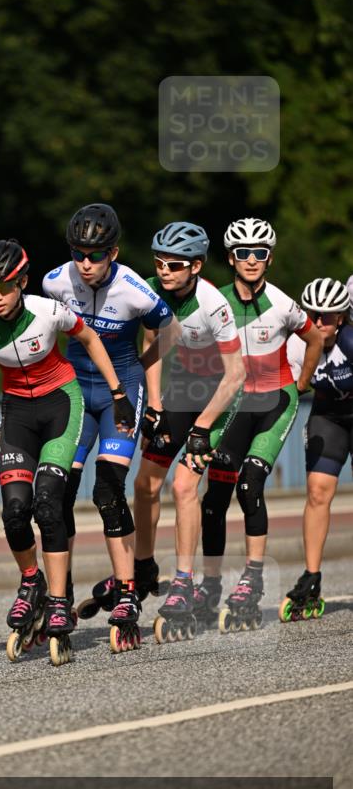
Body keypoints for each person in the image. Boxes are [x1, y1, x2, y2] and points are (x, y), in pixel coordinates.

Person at [0, 238, 136, 665]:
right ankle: (31, 581)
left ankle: (59, 600)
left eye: (4, 287)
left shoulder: (48, 311)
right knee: (14, 511)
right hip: (18, 413)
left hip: (61, 403)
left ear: (22, 282)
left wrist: (117, 393)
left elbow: (90, 338)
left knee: (47, 503)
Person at [42, 203, 177, 649]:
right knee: (59, 493)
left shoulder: (135, 290)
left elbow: (170, 332)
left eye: (96, 255)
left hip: (121, 393)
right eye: (78, 254)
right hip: (77, 394)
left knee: (107, 490)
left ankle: (127, 593)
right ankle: (59, 596)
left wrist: (149, 388)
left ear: (113, 253)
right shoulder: (55, 282)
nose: (86, 263)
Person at [194, 218, 323, 631]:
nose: (252, 260)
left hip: (275, 402)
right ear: (231, 259)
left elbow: (316, 339)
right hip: (235, 405)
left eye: (260, 253)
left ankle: (252, 579)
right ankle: (210, 583)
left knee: (249, 484)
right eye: (243, 253)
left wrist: (302, 382)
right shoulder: (215, 301)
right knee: (214, 496)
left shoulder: (283, 304)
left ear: (270, 258)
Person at [132, 221, 247, 641]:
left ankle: (183, 581)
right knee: (144, 483)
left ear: (196, 266)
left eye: (175, 265)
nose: (165, 271)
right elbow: (153, 344)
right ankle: (144, 568)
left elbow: (237, 374)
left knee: (183, 486)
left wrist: (202, 427)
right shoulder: (151, 290)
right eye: (159, 262)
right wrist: (154, 403)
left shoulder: (214, 304)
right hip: (181, 389)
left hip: (220, 396)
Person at [282, 277, 353, 620]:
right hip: (329, 416)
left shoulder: (350, 342)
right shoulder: (297, 345)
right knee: (317, 491)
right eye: (313, 314)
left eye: (327, 316)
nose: (319, 322)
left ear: (341, 318)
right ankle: (312, 576)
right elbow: (289, 393)